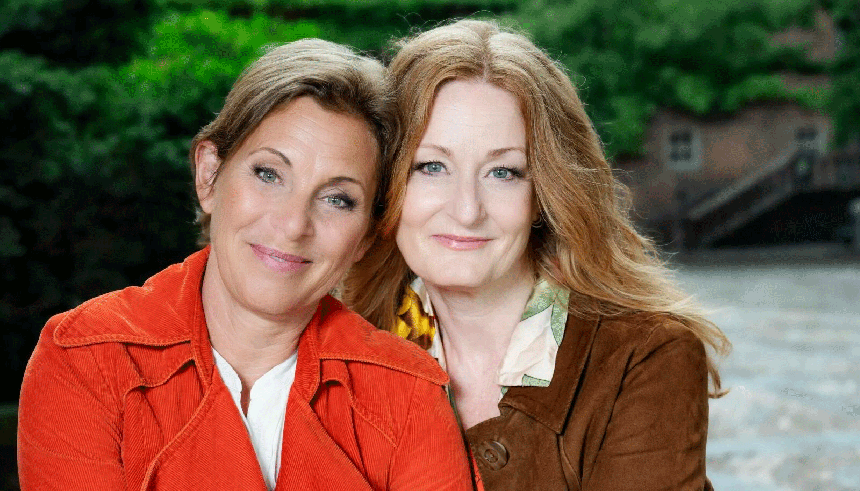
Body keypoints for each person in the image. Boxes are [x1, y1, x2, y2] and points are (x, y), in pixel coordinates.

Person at [18, 38, 471, 491]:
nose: (294, 224)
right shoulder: (85, 358)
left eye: (338, 199)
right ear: (209, 176)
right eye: (269, 174)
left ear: (365, 238)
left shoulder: (408, 394)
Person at [344, 20, 730, 490]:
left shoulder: (644, 358)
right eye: (431, 166)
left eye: (503, 172)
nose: (466, 210)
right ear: (388, 183)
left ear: (544, 195)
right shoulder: (341, 349)